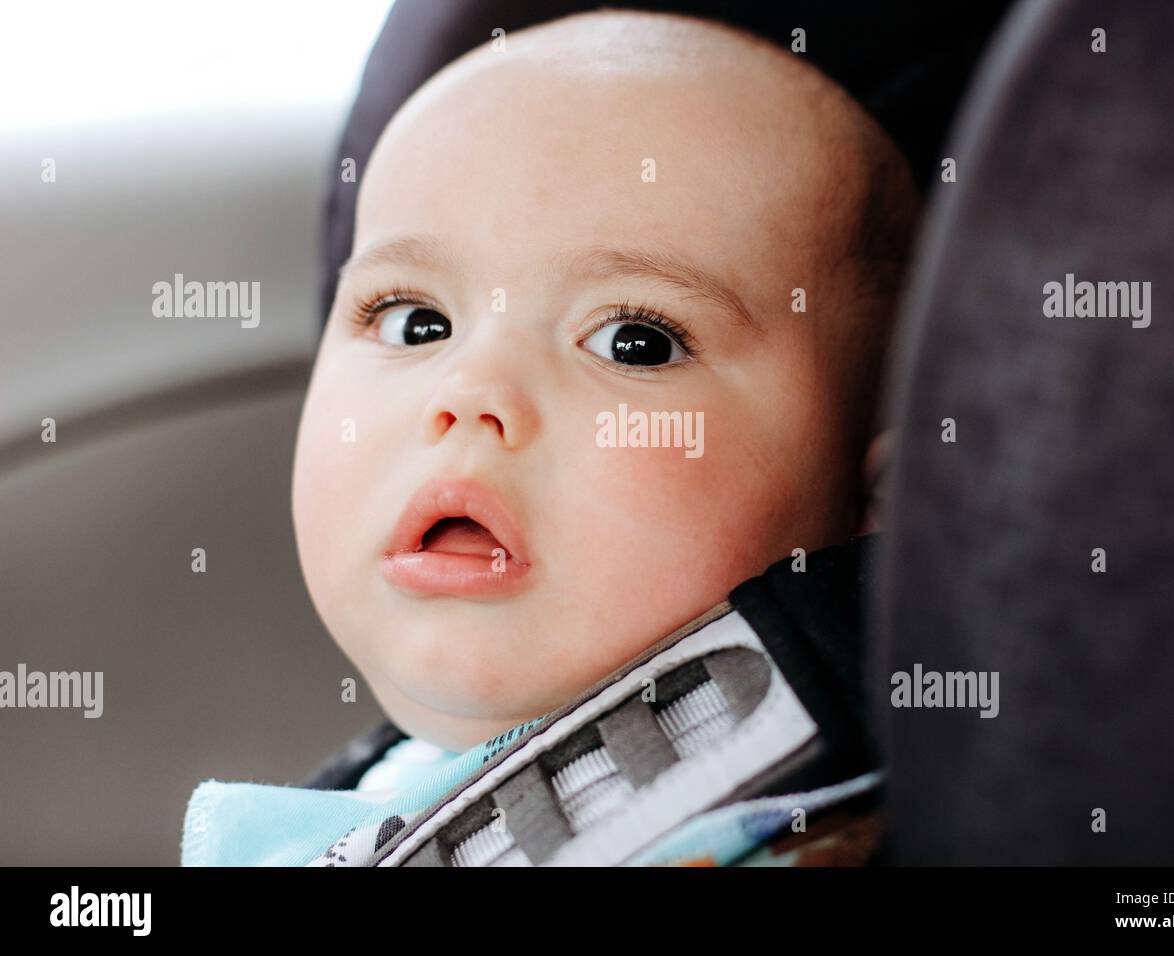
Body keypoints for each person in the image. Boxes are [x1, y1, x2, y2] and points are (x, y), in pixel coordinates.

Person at [182, 7, 917, 865]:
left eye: (633, 343)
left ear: (873, 504)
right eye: (416, 322)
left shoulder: (802, 821)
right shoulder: (387, 784)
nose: (469, 393)